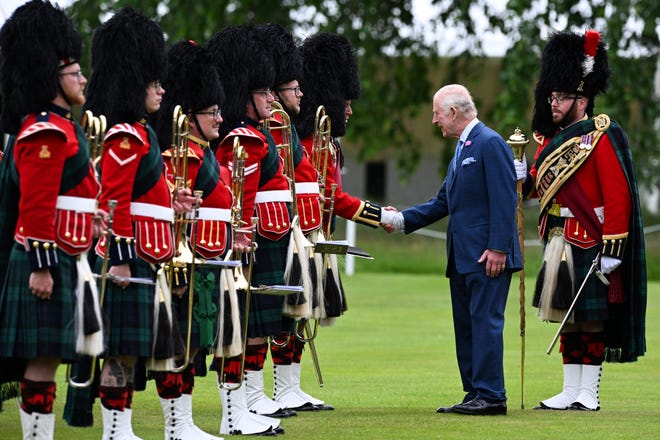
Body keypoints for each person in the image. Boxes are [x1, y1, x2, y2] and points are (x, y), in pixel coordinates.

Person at [79, 7, 196, 438]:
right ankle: (116, 429)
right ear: (134, 83)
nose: (162, 90)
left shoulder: (141, 132)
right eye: (154, 83)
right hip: (129, 256)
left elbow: (143, 195)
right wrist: (122, 259)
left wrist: (172, 201)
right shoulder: (125, 135)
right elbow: (114, 202)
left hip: (148, 251)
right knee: (121, 351)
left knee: (131, 349)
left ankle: (121, 428)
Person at [515, 29, 646, 411]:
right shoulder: (551, 141)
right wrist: (521, 175)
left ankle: (589, 392)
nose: (552, 102)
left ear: (581, 99)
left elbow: (618, 194)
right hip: (558, 237)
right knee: (566, 318)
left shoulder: (601, 136)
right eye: (550, 95)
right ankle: (570, 389)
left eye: (560, 96)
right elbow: (538, 189)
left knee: (591, 320)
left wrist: (613, 246)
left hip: (591, 238)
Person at [382, 84, 522, 416]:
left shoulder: (490, 143)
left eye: (436, 114)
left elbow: (505, 198)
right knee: (468, 324)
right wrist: (400, 220)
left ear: (454, 113)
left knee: (485, 321)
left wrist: (499, 248)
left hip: (488, 255)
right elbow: (442, 203)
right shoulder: (463, 148)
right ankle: (476, 391)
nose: (434, 121)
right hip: (463, 256)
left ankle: (491, 394)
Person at [0, 1, 103, 438]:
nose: (83, 79)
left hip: (66, 253)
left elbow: (66, 197)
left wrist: (91, 219)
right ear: (52, 77)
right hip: (46, 258)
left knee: (48, 359)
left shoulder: (62, 126)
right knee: (41, 361)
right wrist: (42, 267)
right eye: (75, 72)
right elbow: (37, 205)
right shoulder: (46, 130)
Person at [207, 24, 291, 436]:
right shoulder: (245, 139)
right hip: (245, 242)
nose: (271, 98)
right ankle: (234, 411)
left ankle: (241, 407)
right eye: (263, 92)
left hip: (253, 238)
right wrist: (240, 240)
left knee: (247, 328)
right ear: (246, 94)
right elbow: (242, 199)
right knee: (239, 329)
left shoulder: (253, 134)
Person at [153, 39, 232, 440]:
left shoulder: (206, 152)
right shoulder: (184, 154)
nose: (220, 119)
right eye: (212, 112)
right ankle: (177, 425)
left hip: (209, 254)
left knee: (195, 343)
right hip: (189, 258)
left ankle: (183, 423)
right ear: (188, 118)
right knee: (182, 343)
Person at [257, 23, 334, 414]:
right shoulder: (272, 123)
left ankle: (290, 387)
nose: (300, 92)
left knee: (296, 315)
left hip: (297, 226)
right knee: (279, 316)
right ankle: (275, 391)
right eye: (292, 87)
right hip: (277, 227)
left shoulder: (284, 124)